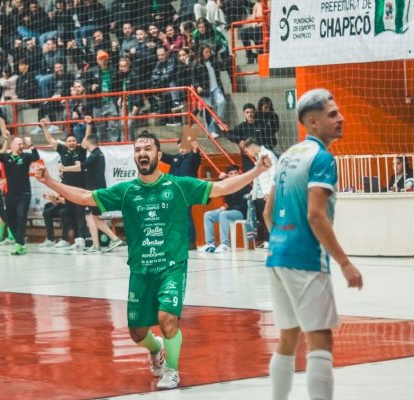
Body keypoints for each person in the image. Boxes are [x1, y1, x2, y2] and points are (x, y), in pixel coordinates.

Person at [34, 131, 272, 390]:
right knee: (136, 332)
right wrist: (48, 181)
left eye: (147, 149)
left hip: (172, 266)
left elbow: (221, 187)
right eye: (137, 150)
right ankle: (156, 347)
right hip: (140, 269)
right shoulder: (126, 191)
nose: (142, 154)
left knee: (167, 317)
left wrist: (257, 171)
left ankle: (171, 369)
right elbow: (84, 197)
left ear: (159, 154)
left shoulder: (179, 186)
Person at [263, 88, 363, 400]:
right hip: (305, 258)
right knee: (320, 340)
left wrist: (283, 239)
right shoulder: (322, 159)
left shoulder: (288, 155)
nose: (341, 118)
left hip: (277, 255)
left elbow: (268, 213)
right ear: (312, 121)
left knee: (288, 337)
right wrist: (345, 263)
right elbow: (316, 216)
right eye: (332, 114)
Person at [41, 118, 88, 249]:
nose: (72, 142)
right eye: (69, 141)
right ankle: (69, 240)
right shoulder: (62, 150)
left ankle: (81, 240)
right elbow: (50, 140)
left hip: (79, 188)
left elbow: (87, 138)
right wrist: (44, 127)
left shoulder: (81, 150)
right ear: (66, 143)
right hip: (66, 189)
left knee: (79, 213)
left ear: (76, 142)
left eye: (73, 140)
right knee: (68, 212)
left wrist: (89, 125)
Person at [77, 120, 124, 253]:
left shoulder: (95, 155)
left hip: (95, 192)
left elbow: (81, 166)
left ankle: (114, 239)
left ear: (88, 143)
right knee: (92, 217)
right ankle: (96, 245)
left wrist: (65, 168)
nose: (82, 143)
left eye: (84, 141)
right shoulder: (97, 154)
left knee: (95, 218)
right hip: (94, 191)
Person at [0, 135, 41, 255]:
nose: (21, 146)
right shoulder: (6, 157)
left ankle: (18, 244)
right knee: (9, 218)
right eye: (19, 144)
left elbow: (36, 157)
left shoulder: (26, 156)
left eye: (22, 144)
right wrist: (5, 140)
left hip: (25, 193)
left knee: (22, 216)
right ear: (11, 146)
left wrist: (31, 145)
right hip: (11, 194)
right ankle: (21, 242)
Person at [199, 165, 249, 253]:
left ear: (239, 173)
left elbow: (243, 205)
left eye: (235, 173)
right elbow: (217, 189)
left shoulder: (245, 185)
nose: (234, 175)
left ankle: (225, 244)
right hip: (230, 211)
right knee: (208, 215)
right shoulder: (227, 186)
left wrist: (227, 209)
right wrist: (220, 180)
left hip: (241, 212)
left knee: (223, 214)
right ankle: (210, 244)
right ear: (228, 175)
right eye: (231, 174)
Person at [244, 138, 278, 247]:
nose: (248, 153)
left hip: (268, 194)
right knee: (263, 218)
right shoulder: (258, 157)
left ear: (252, 147)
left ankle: (272, 240)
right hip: (260, 194)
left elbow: (274, 175)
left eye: (247, 150)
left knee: (269, 216)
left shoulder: (268, 155)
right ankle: (267, 240)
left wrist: (269, 193)